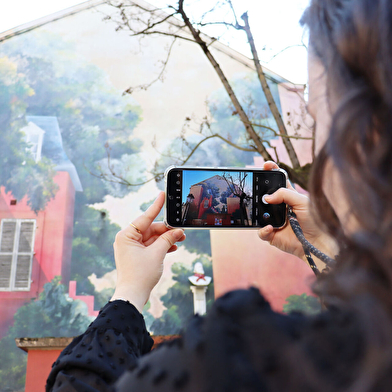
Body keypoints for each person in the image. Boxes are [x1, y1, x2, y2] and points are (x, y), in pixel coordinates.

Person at [46, 0, 392, 390]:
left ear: (367, 133)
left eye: (315, 116)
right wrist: (329, 245)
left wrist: (128, 292)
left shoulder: (235, 362)